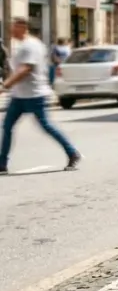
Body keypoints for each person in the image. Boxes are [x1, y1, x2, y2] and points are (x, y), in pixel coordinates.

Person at [0, 18, 82, 176]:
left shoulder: (31, 45)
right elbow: (17, 69)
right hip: (19, 95)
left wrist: (5, 86)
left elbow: (25, 69)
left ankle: (72, 153)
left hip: (34, 95)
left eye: (13, 26)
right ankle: (2, 164)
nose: (10, 29)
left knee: (46, 126)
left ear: (23, 27)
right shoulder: (21, 45)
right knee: (7, 126)